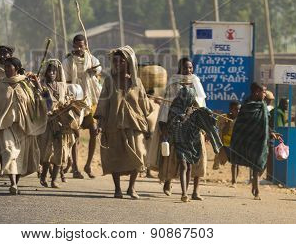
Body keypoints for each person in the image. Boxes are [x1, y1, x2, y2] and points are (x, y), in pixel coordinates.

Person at [0, 57, 48, 195]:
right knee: (9, 152)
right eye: (5, 67)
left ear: (16, 68)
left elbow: (40, 99)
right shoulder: (2, 85)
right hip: (6, 127)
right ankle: (12, 184)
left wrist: (37, 84)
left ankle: (16, 183)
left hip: (24, 127)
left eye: (9, 67)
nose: (6, 70)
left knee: (21, 157)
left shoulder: (26, 84)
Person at [94, 46, 154, 199]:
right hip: (114, 125)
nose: (119, 63)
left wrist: (148, 124)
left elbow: (145, 106)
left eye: (122, 61)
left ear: (129, 63)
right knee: (116, 156)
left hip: (135, 125)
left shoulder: (137, 83)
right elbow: (103, 104)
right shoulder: (109, 81)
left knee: (139, 154)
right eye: (116, 61)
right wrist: (100, 124)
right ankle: (118, 189)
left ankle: (131, 188)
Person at [157, 57, 207, 197]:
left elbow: (202, 104)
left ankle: (195, 191)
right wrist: (164, 124)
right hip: (176, 124)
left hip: (194, 125)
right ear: (180, 68)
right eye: (186, 68)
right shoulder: (174, 82)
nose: (188, 70)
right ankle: (168, 182)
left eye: (190, 68)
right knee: (173, 156)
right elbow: (167, 105)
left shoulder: (196, 81)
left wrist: (204, 124)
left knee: (199, 157)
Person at [167, 86, 222, 202]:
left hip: (193, 142)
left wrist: (208, 114)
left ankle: (187, 192)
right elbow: (173, 125)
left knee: (189, 167)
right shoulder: (175, 109)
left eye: (190, 97)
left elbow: (209, 124)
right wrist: (186, 114)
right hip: (180, 141)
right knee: (183, 165)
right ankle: (184, 193)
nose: (188, 99)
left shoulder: (197, 111)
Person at [230, 82, 281, 200]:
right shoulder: (247, 106)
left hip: (262, 140)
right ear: (256, 92)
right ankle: (256, 189)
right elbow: (241, 124)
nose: (265, 94)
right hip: (249, 139)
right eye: (263, 92)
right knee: (256, 164)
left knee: (260, 164)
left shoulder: (263, 105)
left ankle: (255, 183)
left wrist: (271, 132)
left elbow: (265, 122)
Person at [62, 34, 102, 179]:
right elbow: (65, 81)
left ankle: (88, 165)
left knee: (94, 131)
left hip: (89, 100)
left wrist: (93, 71)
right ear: (73, 45)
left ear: (86, 45)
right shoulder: (67, 61)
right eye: (77, 45)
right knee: (75, 133)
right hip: (74, 102)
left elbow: (99, 70)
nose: (79, 47)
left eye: (82, 45)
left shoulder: (92, 59)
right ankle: (75, 167)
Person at [38, 59, 78, 188]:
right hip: (47, 123)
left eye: (54, 71)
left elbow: (68, 98)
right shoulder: (42, 86)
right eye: (50, 70)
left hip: (61, 123)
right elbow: (46, 103)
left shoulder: (62, 86)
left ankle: (54, 180)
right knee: (46, 151)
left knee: (60, 151)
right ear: (45, 71)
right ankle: (44, 176)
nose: (52, 73)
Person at [212, 100, 241, 186]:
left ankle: (234, 181)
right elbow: (223, 131)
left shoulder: (240, 119)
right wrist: (228, 123)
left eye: (239, 109)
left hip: (236, 143)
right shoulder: (224, 118)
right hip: (225, 144)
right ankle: (234, 180)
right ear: (231, 110)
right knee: (226, 161)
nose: (238, 111)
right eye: (236, 109)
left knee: (235, 163)